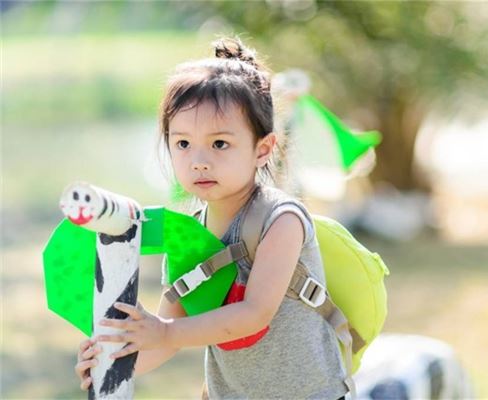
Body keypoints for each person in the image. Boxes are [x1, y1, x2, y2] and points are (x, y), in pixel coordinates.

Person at [74, 36, 349, 400]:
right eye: (183, 143)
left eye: (219, 143)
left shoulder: (281, 220)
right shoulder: (188, 235)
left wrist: (166, 331)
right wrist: (110, 362)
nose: (198, 160)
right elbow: (166, 334)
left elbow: (253, 314)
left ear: (263, 148)